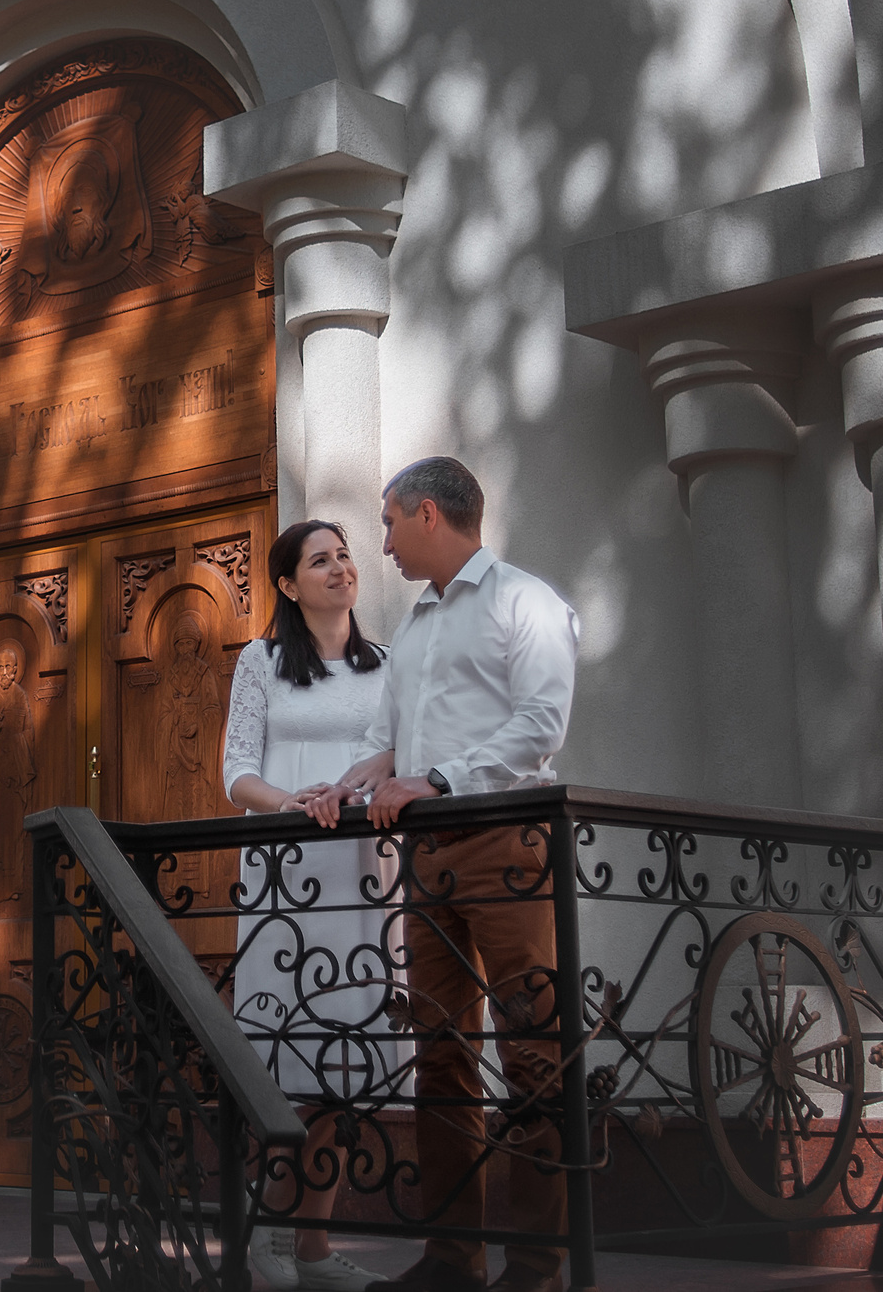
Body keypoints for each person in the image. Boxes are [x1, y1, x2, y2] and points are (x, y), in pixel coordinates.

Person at [335, 457, 580, 1292]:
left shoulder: (525, 601)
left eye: (390, 520)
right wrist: (346, 784)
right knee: (441, 1051)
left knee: (532, 1049)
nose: (384, 541)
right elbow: (390, 741)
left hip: (507, 841)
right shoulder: (416, 625)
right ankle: (452, 1259)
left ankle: (540, 1267)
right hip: (428, 854)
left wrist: (438, 781)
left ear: (429, 513)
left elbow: (542, 724)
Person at [221, 519, 390, 1292]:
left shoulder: (386, 666)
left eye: (345, 554)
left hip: (363, 877)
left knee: (348, 1058)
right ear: (288, 584)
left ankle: (312, 1243)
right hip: (289, 876)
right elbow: (236, 773)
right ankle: (264, 1228)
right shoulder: (260, 663)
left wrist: (353, 794)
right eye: (320, 559)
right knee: (283, 1054)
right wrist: (296, 803)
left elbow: (405, 755)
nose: (340, 567)